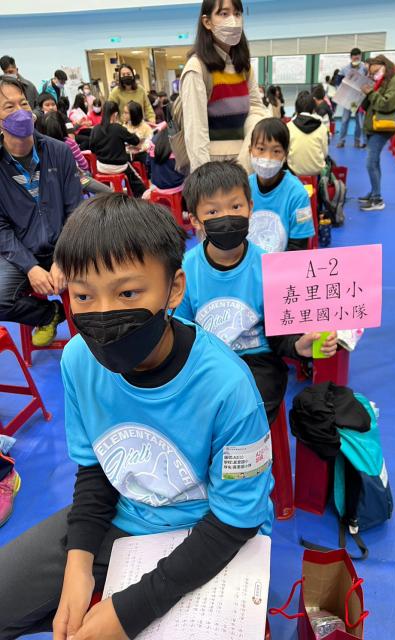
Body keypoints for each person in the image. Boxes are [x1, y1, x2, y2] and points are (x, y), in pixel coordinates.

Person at [0, 193, 273, 638]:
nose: (103, 313)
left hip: (208, 535)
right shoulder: (78, 361)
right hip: (120, 519)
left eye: (127, 292)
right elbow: (96, 469)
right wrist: (78, 564)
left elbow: (236, 519)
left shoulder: (228, 386)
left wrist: (131, 610)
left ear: (174, 289)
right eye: (83, 295)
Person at [178, 160, 337, 424]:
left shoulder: (268, 267)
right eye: (213, 211)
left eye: (235, 206)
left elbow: (279, 337)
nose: (227, 217)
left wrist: (298, 346)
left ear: (251, 207)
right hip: (206, 362)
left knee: (246, 413)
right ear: (194, 219)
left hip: (258, 362)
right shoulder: (186, 269)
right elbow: (181, 335)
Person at [0, 75, 82, 346]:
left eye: (23, 103)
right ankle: (51, 314)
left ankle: (93, 339)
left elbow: (75, 211)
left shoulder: (59, 152)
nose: (20, 111)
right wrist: (30, 267)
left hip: (65, 245)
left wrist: (63, 258)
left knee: (105, 278)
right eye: (9, 107)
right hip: (22, 252)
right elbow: (1, 229)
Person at [180, 0, 268, 172]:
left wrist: (247, 156)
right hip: (215, 167)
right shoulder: (197, 68)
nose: (233, 20)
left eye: (237, 14)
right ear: (207, 22)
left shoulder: (243, 66)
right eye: (224, 14)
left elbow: (256, 107)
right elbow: (196, 134)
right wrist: (204, 179)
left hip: (246, 161)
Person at [247, 117, 315, 253]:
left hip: (282, 264)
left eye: (276, 151)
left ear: (285, 155)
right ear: (250, 151)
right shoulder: (244, 188)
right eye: (261, 149)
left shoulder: (298, 194)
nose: (267, 157)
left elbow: (298, 246)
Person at [358, 55, 395, 212]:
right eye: (371, 73)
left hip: (382, 127)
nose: (374, 75)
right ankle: (374, 192)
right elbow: (371, 102)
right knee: (375, 162)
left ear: (385, 65)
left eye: (376, 71)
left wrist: (370, 93)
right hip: (373, 126)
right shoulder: (382, 80)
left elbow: (387, 103)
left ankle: (377, 199)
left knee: (370, 162)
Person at [37, 111, 111, 195]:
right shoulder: (69, 143)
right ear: (62, 127)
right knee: (108, 191)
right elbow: (84, 165)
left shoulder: (41, 145)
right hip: (75, 179)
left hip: (51, 185)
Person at [89, 100, 146, 197]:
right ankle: (142, 196)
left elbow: (92, 149)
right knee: (136, 178)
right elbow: (136, 141)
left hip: (101, 166)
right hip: (119, 166)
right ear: (115, 114)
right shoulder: (118, 128)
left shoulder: (95, 129)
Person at [287, 92, 328, 176]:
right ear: (313, 109)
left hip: (294, 172)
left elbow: (286, 152)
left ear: (296, 109)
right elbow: (325, 153)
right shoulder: (322, 127)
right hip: (317, 172)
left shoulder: (288, 126)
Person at [336, 48, 367, 148]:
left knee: (359, 122)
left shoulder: (365, 68)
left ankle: (357, 141)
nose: (356, 59)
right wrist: (342, 91)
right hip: (348, 98)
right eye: (355, 58)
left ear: (360, 57)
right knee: (345, 120)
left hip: (359, 99)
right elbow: (338, 82)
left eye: (358, 58)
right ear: (351, 58)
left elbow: (370, 80)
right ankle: (341, 141)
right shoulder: (344, 69)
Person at [147, 124, 185, 190]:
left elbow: (148, 163)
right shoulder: (179, 142)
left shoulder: (154, 140)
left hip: (157, 187)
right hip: (178, 187)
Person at [122, 100, 153, 165]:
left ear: (134, 114)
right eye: (123, 112)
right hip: (127, 156)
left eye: (126, 113)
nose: (123, 115)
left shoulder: (146, 127)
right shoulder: (124, 126)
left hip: (141, 156)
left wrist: (139, 148)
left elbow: (150, 143)